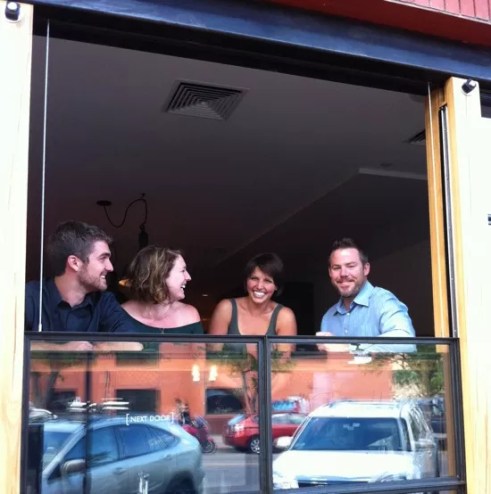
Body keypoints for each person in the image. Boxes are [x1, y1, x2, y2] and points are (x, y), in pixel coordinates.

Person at [25, 220, 140, 351]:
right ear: (75, 263)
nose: (110, 267)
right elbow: (8, 343)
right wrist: (62, 350)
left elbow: (134, 346)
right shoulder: (30, 297)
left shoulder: (104, 302)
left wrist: (91, 349)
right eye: (103, 258)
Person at [317, 238, 415, 353]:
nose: (343, 274)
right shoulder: (328, 317)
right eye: (336, 268)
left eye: (351, 266)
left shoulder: (383, 301)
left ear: (365, 269)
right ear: (330, 272)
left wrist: (348, 348)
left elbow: (407, 343)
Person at [208, 252, 297, 355]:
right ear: (246, 280)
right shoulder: (226, 308)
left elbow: (284, 362)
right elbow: (213, 356)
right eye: (254, 278)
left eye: (267, 281)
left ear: (276, 286)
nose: (259, 286)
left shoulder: (284, 316)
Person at [118, 245, 203, 334]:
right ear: (161, 274)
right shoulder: (119, 315)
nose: (188, 277)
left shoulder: (189, 315)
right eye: (182, 271)